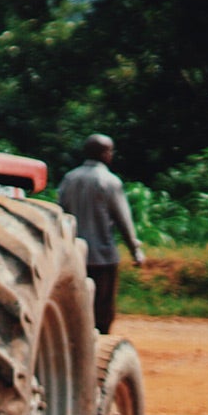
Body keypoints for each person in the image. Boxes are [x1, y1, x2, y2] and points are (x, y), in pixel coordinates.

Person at [56, 134, 145, 332]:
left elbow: (58, 212)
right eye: (110, 151)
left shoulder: (69, 179)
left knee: (75, 306)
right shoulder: (110, 181)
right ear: (104, 153)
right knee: (102, 311)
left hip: (74, 255)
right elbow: (123, 220)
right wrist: (135, 250)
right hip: (103, 256)